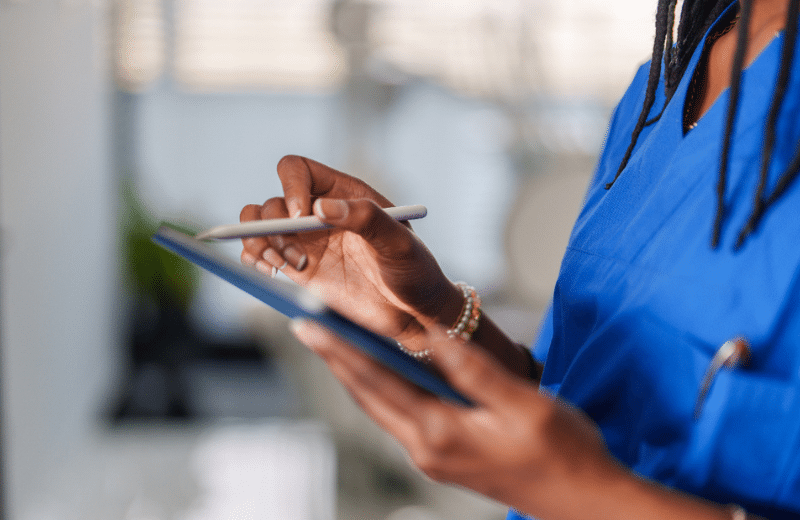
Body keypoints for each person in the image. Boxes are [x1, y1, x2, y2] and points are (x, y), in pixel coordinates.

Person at [239, 0, 800, 518]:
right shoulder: (656, 94)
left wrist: (589, 495)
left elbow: (584, 475)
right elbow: (575, 404)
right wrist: (428, 316)